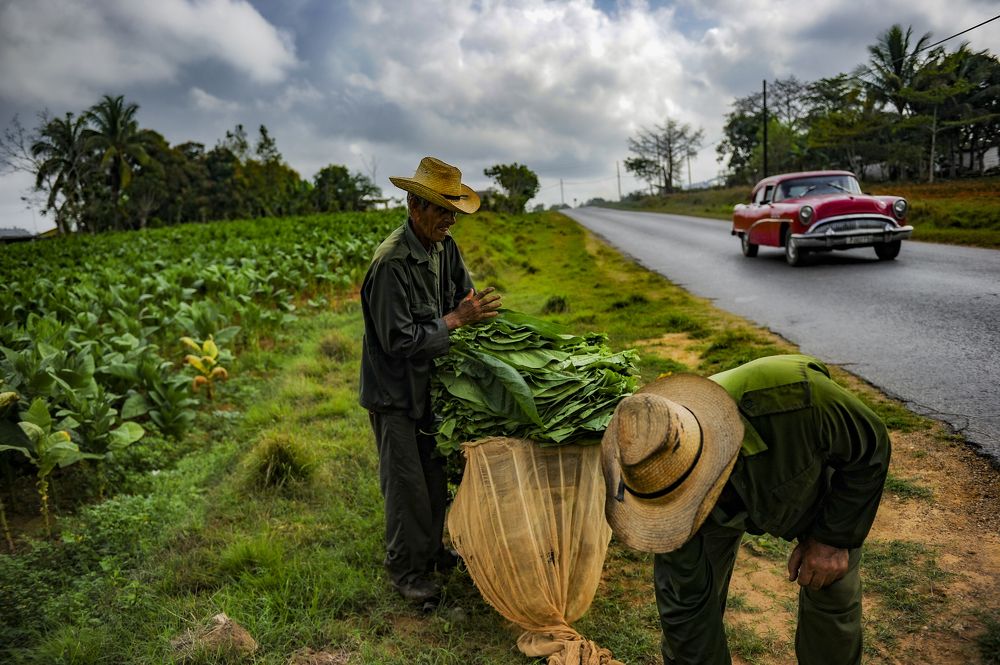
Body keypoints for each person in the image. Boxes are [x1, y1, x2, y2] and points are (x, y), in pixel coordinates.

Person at [600, 354, 890, 665]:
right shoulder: (654, 479)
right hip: (703, 506)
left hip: (802, 468)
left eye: (697, 493)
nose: (694, 505)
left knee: (830, 587)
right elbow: (687, 613)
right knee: (688, 614)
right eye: (681, 502)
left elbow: (871, 447)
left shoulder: (797, 399)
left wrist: (833, 539)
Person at [359, 156, 502, 604]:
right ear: (413, 206)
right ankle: (406, 572)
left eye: (453, 211)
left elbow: (463, 292)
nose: (449, 220)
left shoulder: (444, 248)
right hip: (395, 392)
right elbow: (399, 340)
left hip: (430, 386)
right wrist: (457, 320)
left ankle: (432, 552)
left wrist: (477, 310)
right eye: (441, 210)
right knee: (405, 484)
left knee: (433, 473)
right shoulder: (391, 263)